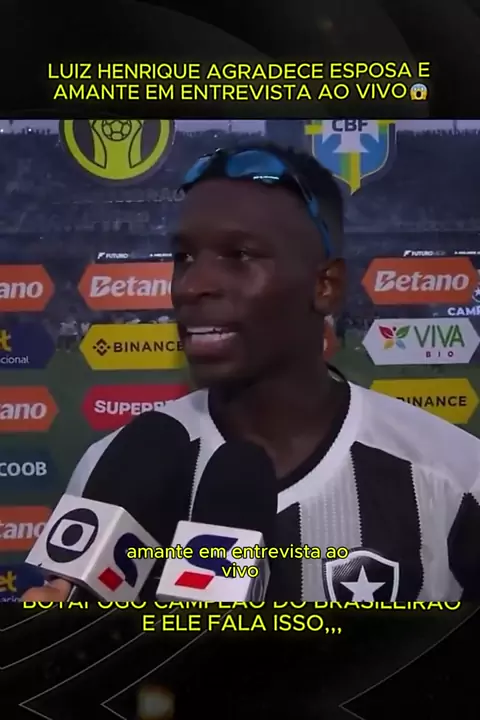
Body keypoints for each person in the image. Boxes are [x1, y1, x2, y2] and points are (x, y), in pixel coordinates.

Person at [24, 141, 480, 603]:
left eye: (240, 255)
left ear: (325, 285)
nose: (192, 286)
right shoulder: (115, 471)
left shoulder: (454, 478)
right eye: (184, 258)